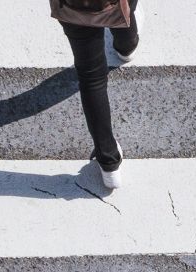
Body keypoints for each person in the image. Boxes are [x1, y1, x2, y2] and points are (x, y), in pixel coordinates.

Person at [53, 0, 139, 193]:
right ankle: (126, 46)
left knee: (91, 78)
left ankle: (108, 161)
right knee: (124, 6)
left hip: (72, 7)